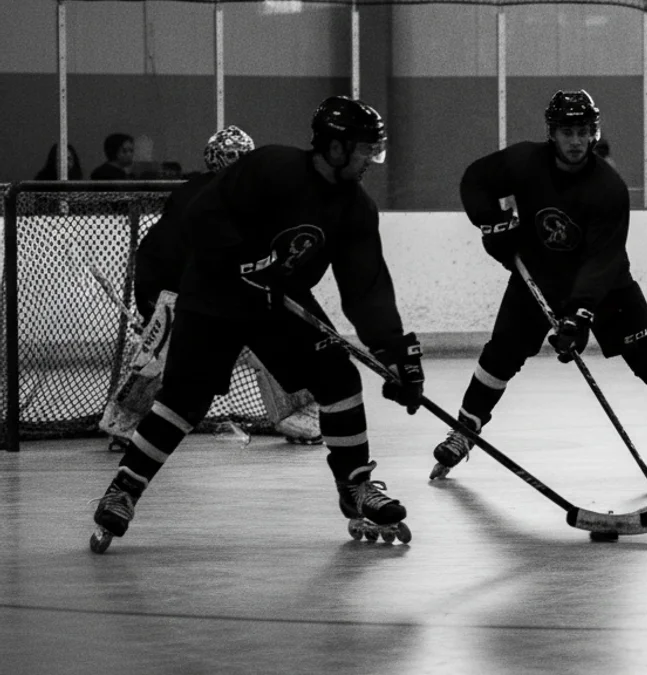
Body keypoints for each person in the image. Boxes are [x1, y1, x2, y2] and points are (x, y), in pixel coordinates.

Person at [89, 96, 423, 552]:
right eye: (364, 149)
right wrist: (240, 259)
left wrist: (392, 352)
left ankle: (356, 486)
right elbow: (204, 214)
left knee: (339, 377)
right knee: (186, 399)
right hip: (214, 294)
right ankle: (124, 489)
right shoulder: (272, 167)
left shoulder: (355, 208)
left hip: (277, 301)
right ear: (336, 147)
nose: (370, 159)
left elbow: (366, 288)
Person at [431, 89, 647, 480]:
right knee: (500, 355)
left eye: (583, 131)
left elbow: (601, 260)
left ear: (594, 133)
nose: (575, 141)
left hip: (607, 286)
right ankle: (465, 430)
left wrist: (579, 316)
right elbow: (475, 179)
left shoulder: (609, 187)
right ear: (552, 133)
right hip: (538, 275)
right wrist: (491, 222)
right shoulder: (524, 161)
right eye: (567, 131)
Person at [113, 125, 321, 447]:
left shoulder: (255, 197)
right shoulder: (195, 195)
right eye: (233, 157)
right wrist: (153, 301)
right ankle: (127, 417)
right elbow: (160, 251)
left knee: (268, 336)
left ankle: (126, 419)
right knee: (165, 348)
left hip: (231, 293)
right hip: (189, 293)